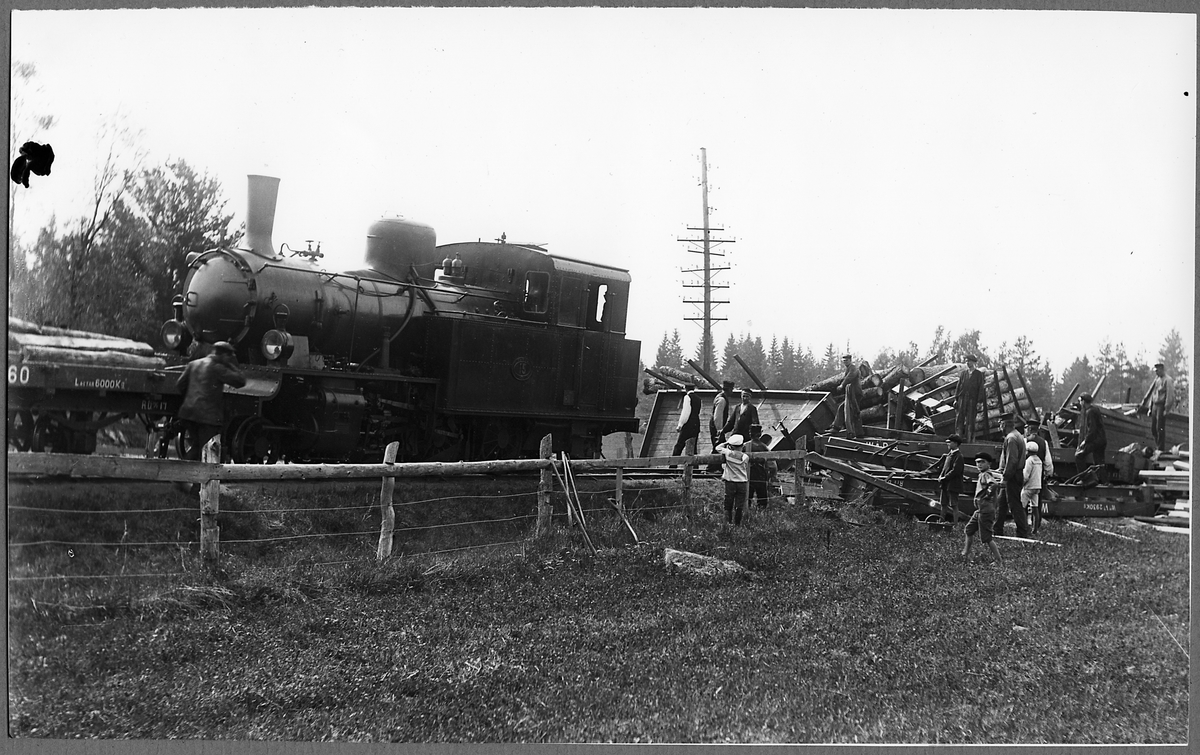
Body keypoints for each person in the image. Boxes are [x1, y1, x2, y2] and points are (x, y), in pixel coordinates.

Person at [175, 341, 246, 462]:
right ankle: (188, 477)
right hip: (207, 417)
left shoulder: (194, 364)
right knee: (206, 449)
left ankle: (182, 476)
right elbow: (240, 381)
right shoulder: (218, 368)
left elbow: (180, 385)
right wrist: (232, 364)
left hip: (188, 414)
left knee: (197, 447)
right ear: (224, 355)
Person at [992, 414, 1032, 539]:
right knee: (1001, 503)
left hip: (1013, 476)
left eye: (1000, 425)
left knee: (1014, 505)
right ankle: (997, 530)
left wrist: (1005, 478)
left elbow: (1012, 461)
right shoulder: (1017, 435)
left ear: (1004, 425)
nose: (1000, 428)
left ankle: (1022, 533)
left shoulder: (1011, 438)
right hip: (1014, 474)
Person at [962, 452, 1003, 565]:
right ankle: (965, 553)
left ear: (989, 464)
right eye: (977, 462)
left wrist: (988, 494)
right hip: (980, 510)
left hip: (986, 510)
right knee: (969, 530)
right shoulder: (982, 474)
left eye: (982, 462)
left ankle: (999, 560)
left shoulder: (986, 475)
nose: (979, 464)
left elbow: (994, 484)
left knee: (987, 537)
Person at [924, 433, 965, 524]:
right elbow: (944, 468)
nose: (948, 444)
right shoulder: (949, 455)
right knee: (943, 504)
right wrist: (941, 476)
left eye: (949, 442)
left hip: (953, 485)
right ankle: (941, 520)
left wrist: (944, 477)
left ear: (955, 443)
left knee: (954, 505)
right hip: (945, 484)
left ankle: (955, 524)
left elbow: (956, 471)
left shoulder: (959, 456)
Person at [1140, 363, 1177, 450]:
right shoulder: (1157, 380)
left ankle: (1160, 449)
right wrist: (1150, 407)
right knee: (1153, 429)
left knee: (1160, 428)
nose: (1156, 373)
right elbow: (1154, 394)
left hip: (1161, 406)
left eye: (1157, 371)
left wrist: (1166, 409)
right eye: (1155, 371)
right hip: (1155, 407)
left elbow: (1170, 396)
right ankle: (1158, 446)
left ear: (1162, 369)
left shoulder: (1168, 380)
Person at [716, 434, 750, 525]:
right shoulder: (745, 457)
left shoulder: (728, 453)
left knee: (728, 502)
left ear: (731, 446)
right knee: (739, 504)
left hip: (730, 482)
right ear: (742, 446)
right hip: (742, 482)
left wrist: (726, 443)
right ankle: (737, 524)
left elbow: (718, 448)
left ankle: (728, 522)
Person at [1075, 393, 1108, 483]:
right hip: (1102, 440)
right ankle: (1104, 482)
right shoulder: (1095, 409)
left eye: (1080, 401)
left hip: (1096, 441)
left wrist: (1085, 442)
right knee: (1100, 463)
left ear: (1084, 402)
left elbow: (1092, 430)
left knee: (1079, 456)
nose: (1080, 403)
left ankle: (1085, 479)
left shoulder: (1090, 412)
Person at [954, 355, 985, 442]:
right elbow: (959, 386)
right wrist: (956, 399)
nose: (968, 363)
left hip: (972, 400)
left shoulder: (978, 374)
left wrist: (979, 402)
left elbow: (980, 388)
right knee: (959, 418)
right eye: (967, 361)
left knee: (970, 420)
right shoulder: (964, 374)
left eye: (970, 361)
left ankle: (969, 439)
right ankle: (958, 438)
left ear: (974, 363)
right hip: (962, 399)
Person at [708, 380, 735, 471]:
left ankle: (716, 467)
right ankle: (711, 468)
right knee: (718, 445)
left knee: (719, 446)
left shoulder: (720, 397)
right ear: (728, 390)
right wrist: (719, 429)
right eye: (731, 389)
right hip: (716, 426)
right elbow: (717, 416)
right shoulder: (722, 400)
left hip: (716, 426)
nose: (732, 391)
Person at [747, 427, 777, 509]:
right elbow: (773, 466)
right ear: (760, 434)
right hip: (760, 475)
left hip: (747, 475)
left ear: (749, 434)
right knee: (762, 499)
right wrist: (771, 476)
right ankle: (761, 514)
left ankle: (745, 513)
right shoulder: (764, 448)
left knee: (747, 498)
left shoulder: (745, 446)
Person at [671, 381, 702, 458]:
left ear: (686, 389)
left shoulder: (687, 397)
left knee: (679, 445)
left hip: (688, 424)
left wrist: (680, 425)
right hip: (696, 423)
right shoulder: (698, 399)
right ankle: (694, 467)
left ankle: (673, 466)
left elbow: (686, 412)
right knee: (693, 446)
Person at [1022, 439, 1044, 534]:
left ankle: (1024, 527)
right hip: (1037, 487)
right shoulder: (1039, 460)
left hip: (1029, 487)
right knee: (1035, 508)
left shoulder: (1029, 461)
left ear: (1028, 451)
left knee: (1022, 507)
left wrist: (1021, 484)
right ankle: (1035, 529)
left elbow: (1026, 476)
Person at [840, 354, 864, 439]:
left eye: (846, 360)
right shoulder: (849, 368)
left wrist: (842, 385)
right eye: (843, 361)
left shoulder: (853, 368)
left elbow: (849, 377)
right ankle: (836, 427)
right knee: (842, 408)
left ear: (850, 360)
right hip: (851, 393)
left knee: (855, 412)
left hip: (855, 393)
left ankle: (857, 433)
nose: (845, 362)